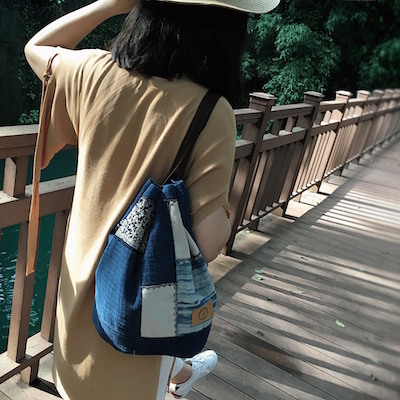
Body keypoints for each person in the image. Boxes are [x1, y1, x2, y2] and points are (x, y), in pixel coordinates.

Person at [24, 0, 280, 399]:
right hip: (143, 312)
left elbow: (36, 48)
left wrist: (109, 4)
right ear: (227, 30)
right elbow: (209, 241)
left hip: (75, 303)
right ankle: (183, 373)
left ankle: (184, 372)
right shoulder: (212, 112)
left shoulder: (94, 72)